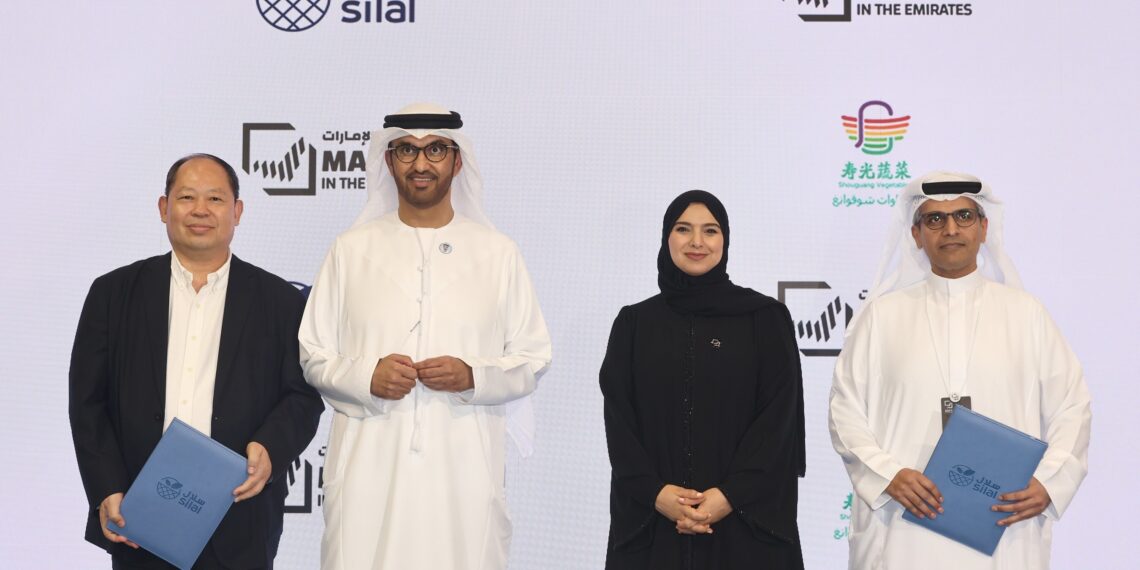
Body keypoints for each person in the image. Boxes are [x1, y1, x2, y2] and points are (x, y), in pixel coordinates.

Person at [298, 103, 552, 569]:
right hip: (367, 466)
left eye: (435, 150)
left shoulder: (497, 253)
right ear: (388, 161)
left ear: (457, 161)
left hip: (464, 469)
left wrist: (472, 375)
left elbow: (532, 357)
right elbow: (313, 354)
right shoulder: (351, 250)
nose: (420, 164)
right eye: (406, 151)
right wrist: (365, 376)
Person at [68, 153, 325, 569]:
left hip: (239, 515)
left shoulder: (279, 301)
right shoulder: (113, 294)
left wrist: (271, 449)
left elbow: (303, 395)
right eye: (187, 197)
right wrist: (107, 488)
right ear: (164, 208)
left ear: (238, 211)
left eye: (216, 199)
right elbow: (87, 404)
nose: (201, 210)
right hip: (139, 513)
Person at [828, 171, 1091, 569]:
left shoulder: (1026, 314)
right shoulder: (881, 317)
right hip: (903, 527)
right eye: (934, 219)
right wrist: (888, 475)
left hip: (1003, 524)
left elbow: (1072, 406)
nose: (950, 229)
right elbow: (845, 413)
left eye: (964, 217)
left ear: (984, 228)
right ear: (916, 234)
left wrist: (1049, 482)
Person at [600, 190, 806, 569]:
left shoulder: (764, 319)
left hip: (746, 525)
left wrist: (727, 496)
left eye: (710, 231)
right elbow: (620, 423)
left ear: (725, 241)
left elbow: (778, 423)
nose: (697, 242)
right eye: (683, 229)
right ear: (667, 238)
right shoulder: (634, 324)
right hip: (653, 524)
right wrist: (658, 495)